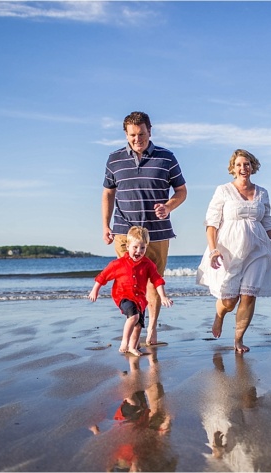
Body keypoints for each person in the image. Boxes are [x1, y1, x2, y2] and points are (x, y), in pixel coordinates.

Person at [101, 111, 187, 347]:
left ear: (150, 131)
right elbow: (108, 193)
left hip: (157, 233)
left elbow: (181, 191)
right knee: (130, 283)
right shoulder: (114, 159)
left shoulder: (166, 158)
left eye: (141, 134)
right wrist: (105, 225)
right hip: (124, 233)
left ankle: (151, 329)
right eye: (132, 135)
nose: (136, 139)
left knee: (153, 282)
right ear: (126, 134)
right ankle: (135, 330)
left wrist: (168, 206)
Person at [197, 149, 271, 353]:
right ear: (233, 168)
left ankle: (238, 340)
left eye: (247, 164)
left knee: (249, 296)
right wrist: (213, 250)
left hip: (258, 250)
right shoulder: (223, 190)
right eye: (239, 164)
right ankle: (220, 315)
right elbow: (211, 224)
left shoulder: (262, 193)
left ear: (253, 166)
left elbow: (267, 225)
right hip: (229, 250)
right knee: (230, 301)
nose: (243, 168)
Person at [89, 226, 174, 356]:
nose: (138, 251)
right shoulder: (118, 264)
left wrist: (163, 297)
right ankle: (125, 341)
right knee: (133, 316)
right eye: (135, 247)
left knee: (138, 325)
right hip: (123, 296)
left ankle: (133, 347)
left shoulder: (148, 264)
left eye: (142, 248)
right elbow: (103, 276)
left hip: (140, 299)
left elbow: (157, 280)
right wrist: (95, 290)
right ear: (127, 246)